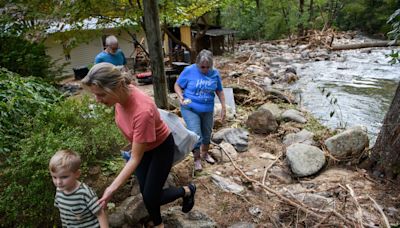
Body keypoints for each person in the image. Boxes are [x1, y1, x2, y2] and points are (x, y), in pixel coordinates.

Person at [81, 62, 196, 228]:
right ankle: (158, 223)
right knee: (147, 193)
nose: (97, 100)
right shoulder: (122, 94)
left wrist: (110, 189)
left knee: (151, 196)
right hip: (143, 147)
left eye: (101, 95)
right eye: (95, 95)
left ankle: (188, 190)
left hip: (160, 147)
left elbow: (135, 157)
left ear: (118, 86)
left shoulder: (142, 111)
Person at [174, 49, 226, 171]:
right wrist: (180, 96)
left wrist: (223, 106)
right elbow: (177, 85)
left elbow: (219, 90)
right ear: (197, 64)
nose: (205, 70)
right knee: (196, 134)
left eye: (208, 67)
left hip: (207, 108)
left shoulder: (215, 73)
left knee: (207, 133)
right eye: (202, 67)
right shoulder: (189, 71)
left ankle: (205, 153)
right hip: (190, 107)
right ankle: (197, 159)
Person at [49, 149, 109, 228]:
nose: (58, 182)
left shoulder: (84, 193)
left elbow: (100, 213)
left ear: (77, 174)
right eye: (54, 177)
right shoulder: (59, 190)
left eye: (64, 177)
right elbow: (63, 212)